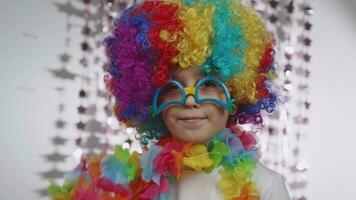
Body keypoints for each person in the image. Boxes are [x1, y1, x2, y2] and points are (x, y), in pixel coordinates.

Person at [48, 0, 291, 199]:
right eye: (173, 86)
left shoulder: (265, 186)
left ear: (235, 95)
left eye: (207, 84)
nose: (189, 100)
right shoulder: (127, 183)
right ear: (151, 97)